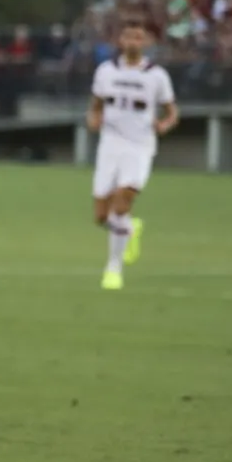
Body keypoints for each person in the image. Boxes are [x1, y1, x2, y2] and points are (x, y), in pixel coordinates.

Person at [85, 19, 179, 291]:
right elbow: (95, 106)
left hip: (139, 146)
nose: (133, 42)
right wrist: (93, 118)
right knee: (102, 216)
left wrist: (163, 125)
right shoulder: (106, 71)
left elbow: (172, 112)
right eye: (128, 37)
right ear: (120, 40)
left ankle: (113, 268)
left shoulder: (156, 75)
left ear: (147, 42)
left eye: (139, 37)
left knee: (122, 202)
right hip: (110, 145)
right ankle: (129, 229)